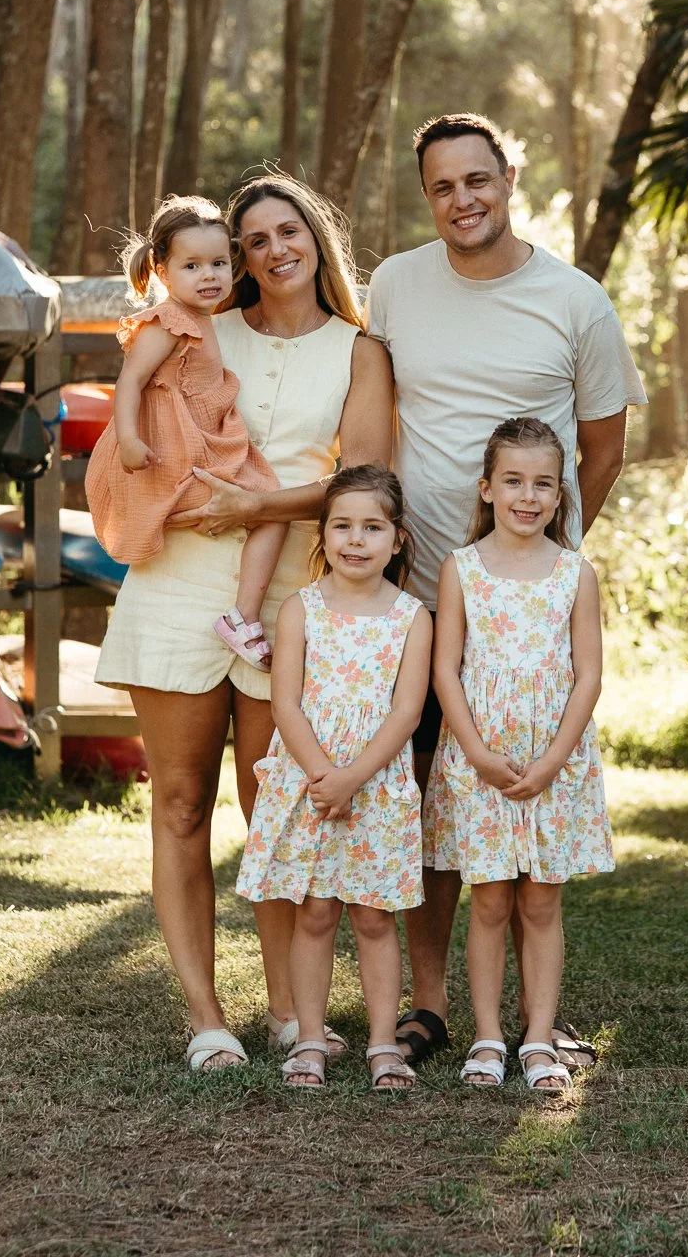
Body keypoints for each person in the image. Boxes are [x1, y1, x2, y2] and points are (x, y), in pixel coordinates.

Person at [365, 111, 644, 1071]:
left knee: (531, 818)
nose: (461, 201)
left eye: (476, 180)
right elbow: (374, 410)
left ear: (508, 177)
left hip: (519, 604)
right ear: (426, 195)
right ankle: (436, 1006)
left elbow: (602, 447)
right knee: (438, 807)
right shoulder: (396, 285)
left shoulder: (574, 301)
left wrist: (543, 563)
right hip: (420, 590)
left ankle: (532, 1021)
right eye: (441, 187)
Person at [95, 174, 393, 1071]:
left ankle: (287, 1012)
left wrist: (253, 509)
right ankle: (205, 1020)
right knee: (181, 802)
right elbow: (128, 437)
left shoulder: (358, 350)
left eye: (286, 232)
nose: (271, 251)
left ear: (315, 240)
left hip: (285, 593)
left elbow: (367, 479)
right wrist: (181, 501)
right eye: (252, 239)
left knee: (278, 808)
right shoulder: (195, 322)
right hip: (178, 578)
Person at [425, 417, 613, 1096]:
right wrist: (475, 750)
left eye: (542, 484)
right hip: (481, 760)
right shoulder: (461, 569)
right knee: (489, 902)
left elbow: (587, 675)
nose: (526, 497)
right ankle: (486, 1036)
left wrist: (553, 760)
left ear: (560, 497)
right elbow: (446, 671)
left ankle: (537, 1037)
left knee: (540, 904)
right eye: (512, 482)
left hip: (552, 762)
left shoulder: (574, 574)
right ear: (486, 488)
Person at [238, 465, 432, 1091]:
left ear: (397, 539)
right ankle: (311, 1041)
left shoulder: (411, 617)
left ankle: (382, 1045)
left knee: (374, 917)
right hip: (310, 782)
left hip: (375, 783)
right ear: (323, 535)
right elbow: (285, 703)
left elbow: (407, 712)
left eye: (372, 527)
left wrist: (353, 777)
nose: (356, 539)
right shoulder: (301, 609)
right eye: (342, 526)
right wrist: (325, 776)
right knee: (315, 911)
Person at [86, 195, 285, 670]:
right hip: (179, 446)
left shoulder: (199, 317)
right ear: (161, 269)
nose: (209, 275)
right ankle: (243, 618)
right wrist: (131, 439)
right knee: (272, 509)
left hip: (201, 439)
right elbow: (131, 380)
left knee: (266, 506)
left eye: (218, 263)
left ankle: (241, 613)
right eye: (192, 265)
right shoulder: (170, 320)